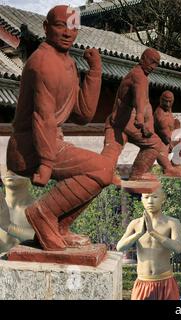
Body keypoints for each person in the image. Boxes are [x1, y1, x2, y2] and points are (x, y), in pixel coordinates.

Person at [6, 5, 115, 251]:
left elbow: (82, 114)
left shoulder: (67, 63)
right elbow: (41, 117)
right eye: (60, 26)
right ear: (46, 28)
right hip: (30, 146)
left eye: (74, 27)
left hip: (50, 142)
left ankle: (58, 226)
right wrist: (45, 163)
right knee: (102, 170)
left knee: (102, 172)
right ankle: (42, 214)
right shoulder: (41, 63)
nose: (68, 33)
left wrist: (95, 73)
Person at [102, 50, 181, 183]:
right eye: (152, 62)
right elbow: (140, 100)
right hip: (127, 121)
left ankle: (104, 173)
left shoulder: (139, 76)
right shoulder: (139, 77)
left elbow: (146, 104)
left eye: (156, 64)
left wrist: (148, 122)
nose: (153, 67)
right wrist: (140, 118)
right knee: (154, 143)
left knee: (111, 150)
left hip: (116, 122)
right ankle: (139, 173)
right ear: (143, 59)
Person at [117, 185, 181, 300]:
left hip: (165, 281)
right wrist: (138, 234)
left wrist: (153, 233)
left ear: (163, 198)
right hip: (143, 281)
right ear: (142, 199)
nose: (150, 201)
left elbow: (178, 248)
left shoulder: (172, 223)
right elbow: (120, 247)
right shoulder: (135, 224)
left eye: (155, 197)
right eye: (146, 197)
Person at [0, 166, 35, 253]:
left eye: (16, 164)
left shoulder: (40, 208)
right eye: (5, 166)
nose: (8, 171)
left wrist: (9, 227)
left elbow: (48, 240)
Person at [154, 91, 181, 167]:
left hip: (169, 141)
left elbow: (170, 127)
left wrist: (176, 125)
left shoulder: (168, 110)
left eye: (169, 101)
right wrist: (171, 142)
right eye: (165, 101)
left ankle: (174, 164)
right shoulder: (160, 114)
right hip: (161, 144)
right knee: (167, 167)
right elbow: (164, 133)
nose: (167, 104)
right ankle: (169, 167)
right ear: (160, 100)